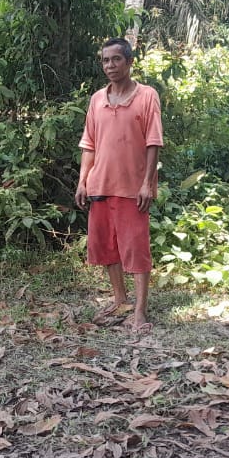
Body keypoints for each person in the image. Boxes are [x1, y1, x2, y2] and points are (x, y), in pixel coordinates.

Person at [75, 37, 164, 333]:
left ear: (129, 62)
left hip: (132, 187)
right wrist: (82, 181)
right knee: (106, 248)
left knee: (136, 250)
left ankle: (139, 311)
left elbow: (153, 142)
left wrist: (147, 183)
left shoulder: (147, 95)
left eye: (116, 59)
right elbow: (89, 143)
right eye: (105, 60)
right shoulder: (97, 99)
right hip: (100, 184)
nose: (110, 66)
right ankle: (120, 299)